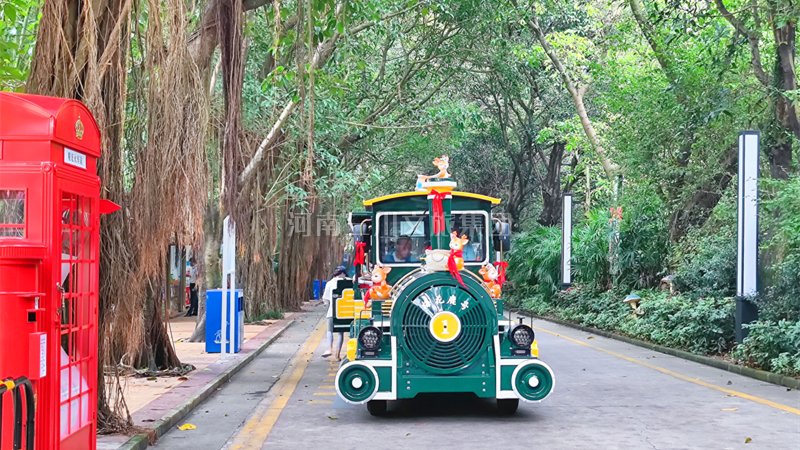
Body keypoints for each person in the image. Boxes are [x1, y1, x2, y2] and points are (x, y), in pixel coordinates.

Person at [322, 266, 347, 359]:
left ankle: (329, 349)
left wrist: (327, 306)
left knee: (330, 331)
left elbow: (326, 300)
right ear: (343, 273)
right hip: (344, 313)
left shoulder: (330, 283)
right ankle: (337, 354)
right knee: (341, 333)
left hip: (331, 313)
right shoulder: (348, 282)